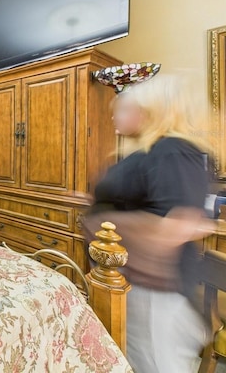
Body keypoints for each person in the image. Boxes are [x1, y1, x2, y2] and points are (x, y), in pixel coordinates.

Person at [83, 74, 219, 373]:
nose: (113, 114)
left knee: (151, 364)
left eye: (123, 108)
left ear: (147, 111)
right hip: (130, 282)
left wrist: (104, 225)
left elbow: (181, 224)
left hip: (153, 294)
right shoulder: (152, 151)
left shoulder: (173, 150)